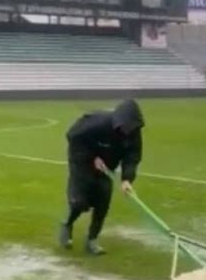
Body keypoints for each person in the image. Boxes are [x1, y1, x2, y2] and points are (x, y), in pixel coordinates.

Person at [59, 99, 144, 255]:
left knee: (102, 202)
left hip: (107, 168)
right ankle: (67, 223)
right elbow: (72, 135)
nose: (127, 132)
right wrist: (92, 157)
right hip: (82, 162)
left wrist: (127, 179)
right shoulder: (98, 122)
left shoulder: (133, 132)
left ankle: (92, 240)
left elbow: (132, 156)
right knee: (79, 202)